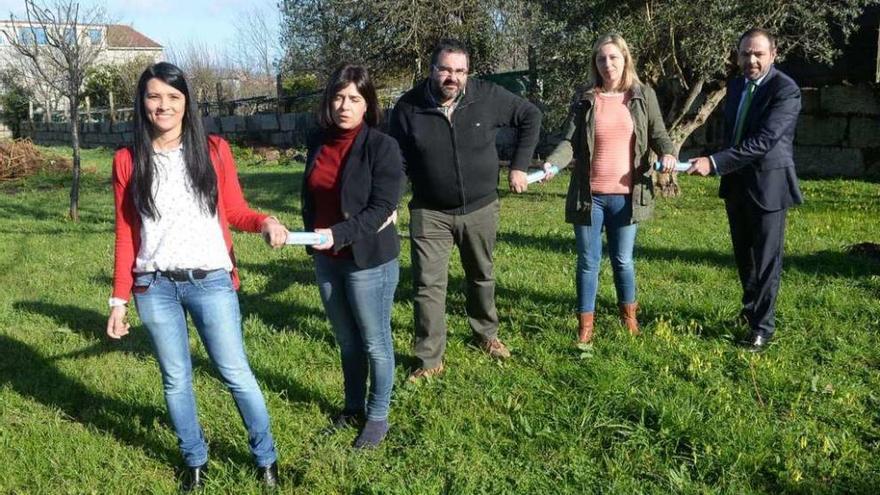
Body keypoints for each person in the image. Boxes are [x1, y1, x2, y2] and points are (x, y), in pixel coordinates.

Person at [105, 62, 286, 491]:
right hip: (155, 287)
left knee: (235, 372)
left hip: (211, 283)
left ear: (187, 102)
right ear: (142, 102)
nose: (163, 105)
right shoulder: (127, 160)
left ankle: (265, 459)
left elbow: (235, 211)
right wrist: (118, 300)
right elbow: (127, 233)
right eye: (154, 96)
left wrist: (264, 221)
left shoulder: (214, 150)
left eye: (173, 97)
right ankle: (195, 461)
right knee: (175, 380)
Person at [390, 38, 542, 381]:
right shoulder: (407, 108)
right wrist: (392, 203)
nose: (452, 77)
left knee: (481, 275)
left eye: (460, 71)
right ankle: (429, 360)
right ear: (431, 70)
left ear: (468, 73)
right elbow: (397, 161)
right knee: (428, 286)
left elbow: (530, 116)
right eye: (445, 69)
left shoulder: (486, 96)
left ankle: (485, 334)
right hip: (430, 212)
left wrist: (519, 165)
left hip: (481, 206)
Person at [541, 33, 677, 344]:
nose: (607, 64)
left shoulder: (643, 95)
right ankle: (585, 326)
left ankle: (629, 318)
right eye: (601, 59)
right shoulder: (586, 97)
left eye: (613, 57)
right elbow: (569, 143)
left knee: (623, 260)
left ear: (625, 59)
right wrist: (553, 163)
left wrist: (668, 153)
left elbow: (660, 136)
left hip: (628, 197)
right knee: (588, 262)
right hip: (589, 197)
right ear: (595, 63)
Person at [302, 64, 403, 448]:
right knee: (347, 340)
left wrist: (337, 235)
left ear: (367, 105)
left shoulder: (382, 147)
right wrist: (312, 238)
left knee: (375, 342)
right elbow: (314, 195)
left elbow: (382, 207)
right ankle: (352, 407)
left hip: (368, 261)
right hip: (327, 259)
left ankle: (378, 418)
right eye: (339, 97)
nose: (345, 105)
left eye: (355, 98)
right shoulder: (319, 141)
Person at [687, 28, 802, 352]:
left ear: (773, 55)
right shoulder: (736, 86)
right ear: (737, 56)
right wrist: (711, 159)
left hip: (769, 186)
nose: (751, 60)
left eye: (758, 54)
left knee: (766, 261)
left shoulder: (786, 90)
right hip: (737, 184)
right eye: (745, 54)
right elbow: (733, 135)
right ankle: (751, 310)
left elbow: (765, 141)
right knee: (744, 258)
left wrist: (716, 162)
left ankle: (763, 328)